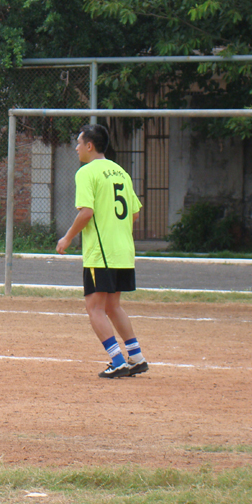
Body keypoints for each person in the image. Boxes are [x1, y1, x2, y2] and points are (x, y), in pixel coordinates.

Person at [56, 124, 149, 378]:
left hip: (102, 252)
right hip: (123, 250)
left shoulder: (86, 172)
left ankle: (117, 361)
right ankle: (136, 357)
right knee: (113, 306)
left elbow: (86, 212)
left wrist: (67, 238)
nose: (76, 148)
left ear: (89, 145)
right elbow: (135, 213)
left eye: (79, 143)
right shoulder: (121, 172)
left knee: (95, 308)